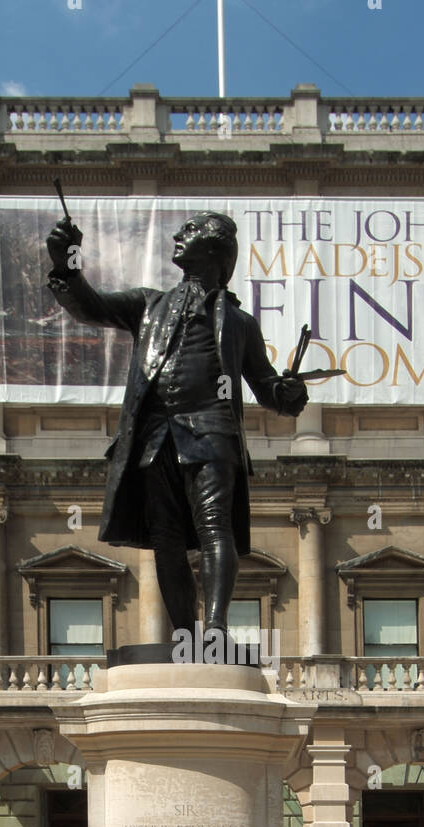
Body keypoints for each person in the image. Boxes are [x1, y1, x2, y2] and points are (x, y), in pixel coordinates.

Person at [45, 211, 308, 638]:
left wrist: (290, 392)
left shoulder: (239, 324)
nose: (177, 237)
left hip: (212, 433)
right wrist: (66, 263)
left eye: (189, 232)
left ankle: (216, 629)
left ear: (213, 247)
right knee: (165, 540)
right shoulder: (148, 305)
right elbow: (91, 306)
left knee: (213, 525)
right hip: (154, 438)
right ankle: (186, 636)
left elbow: (268, 389)